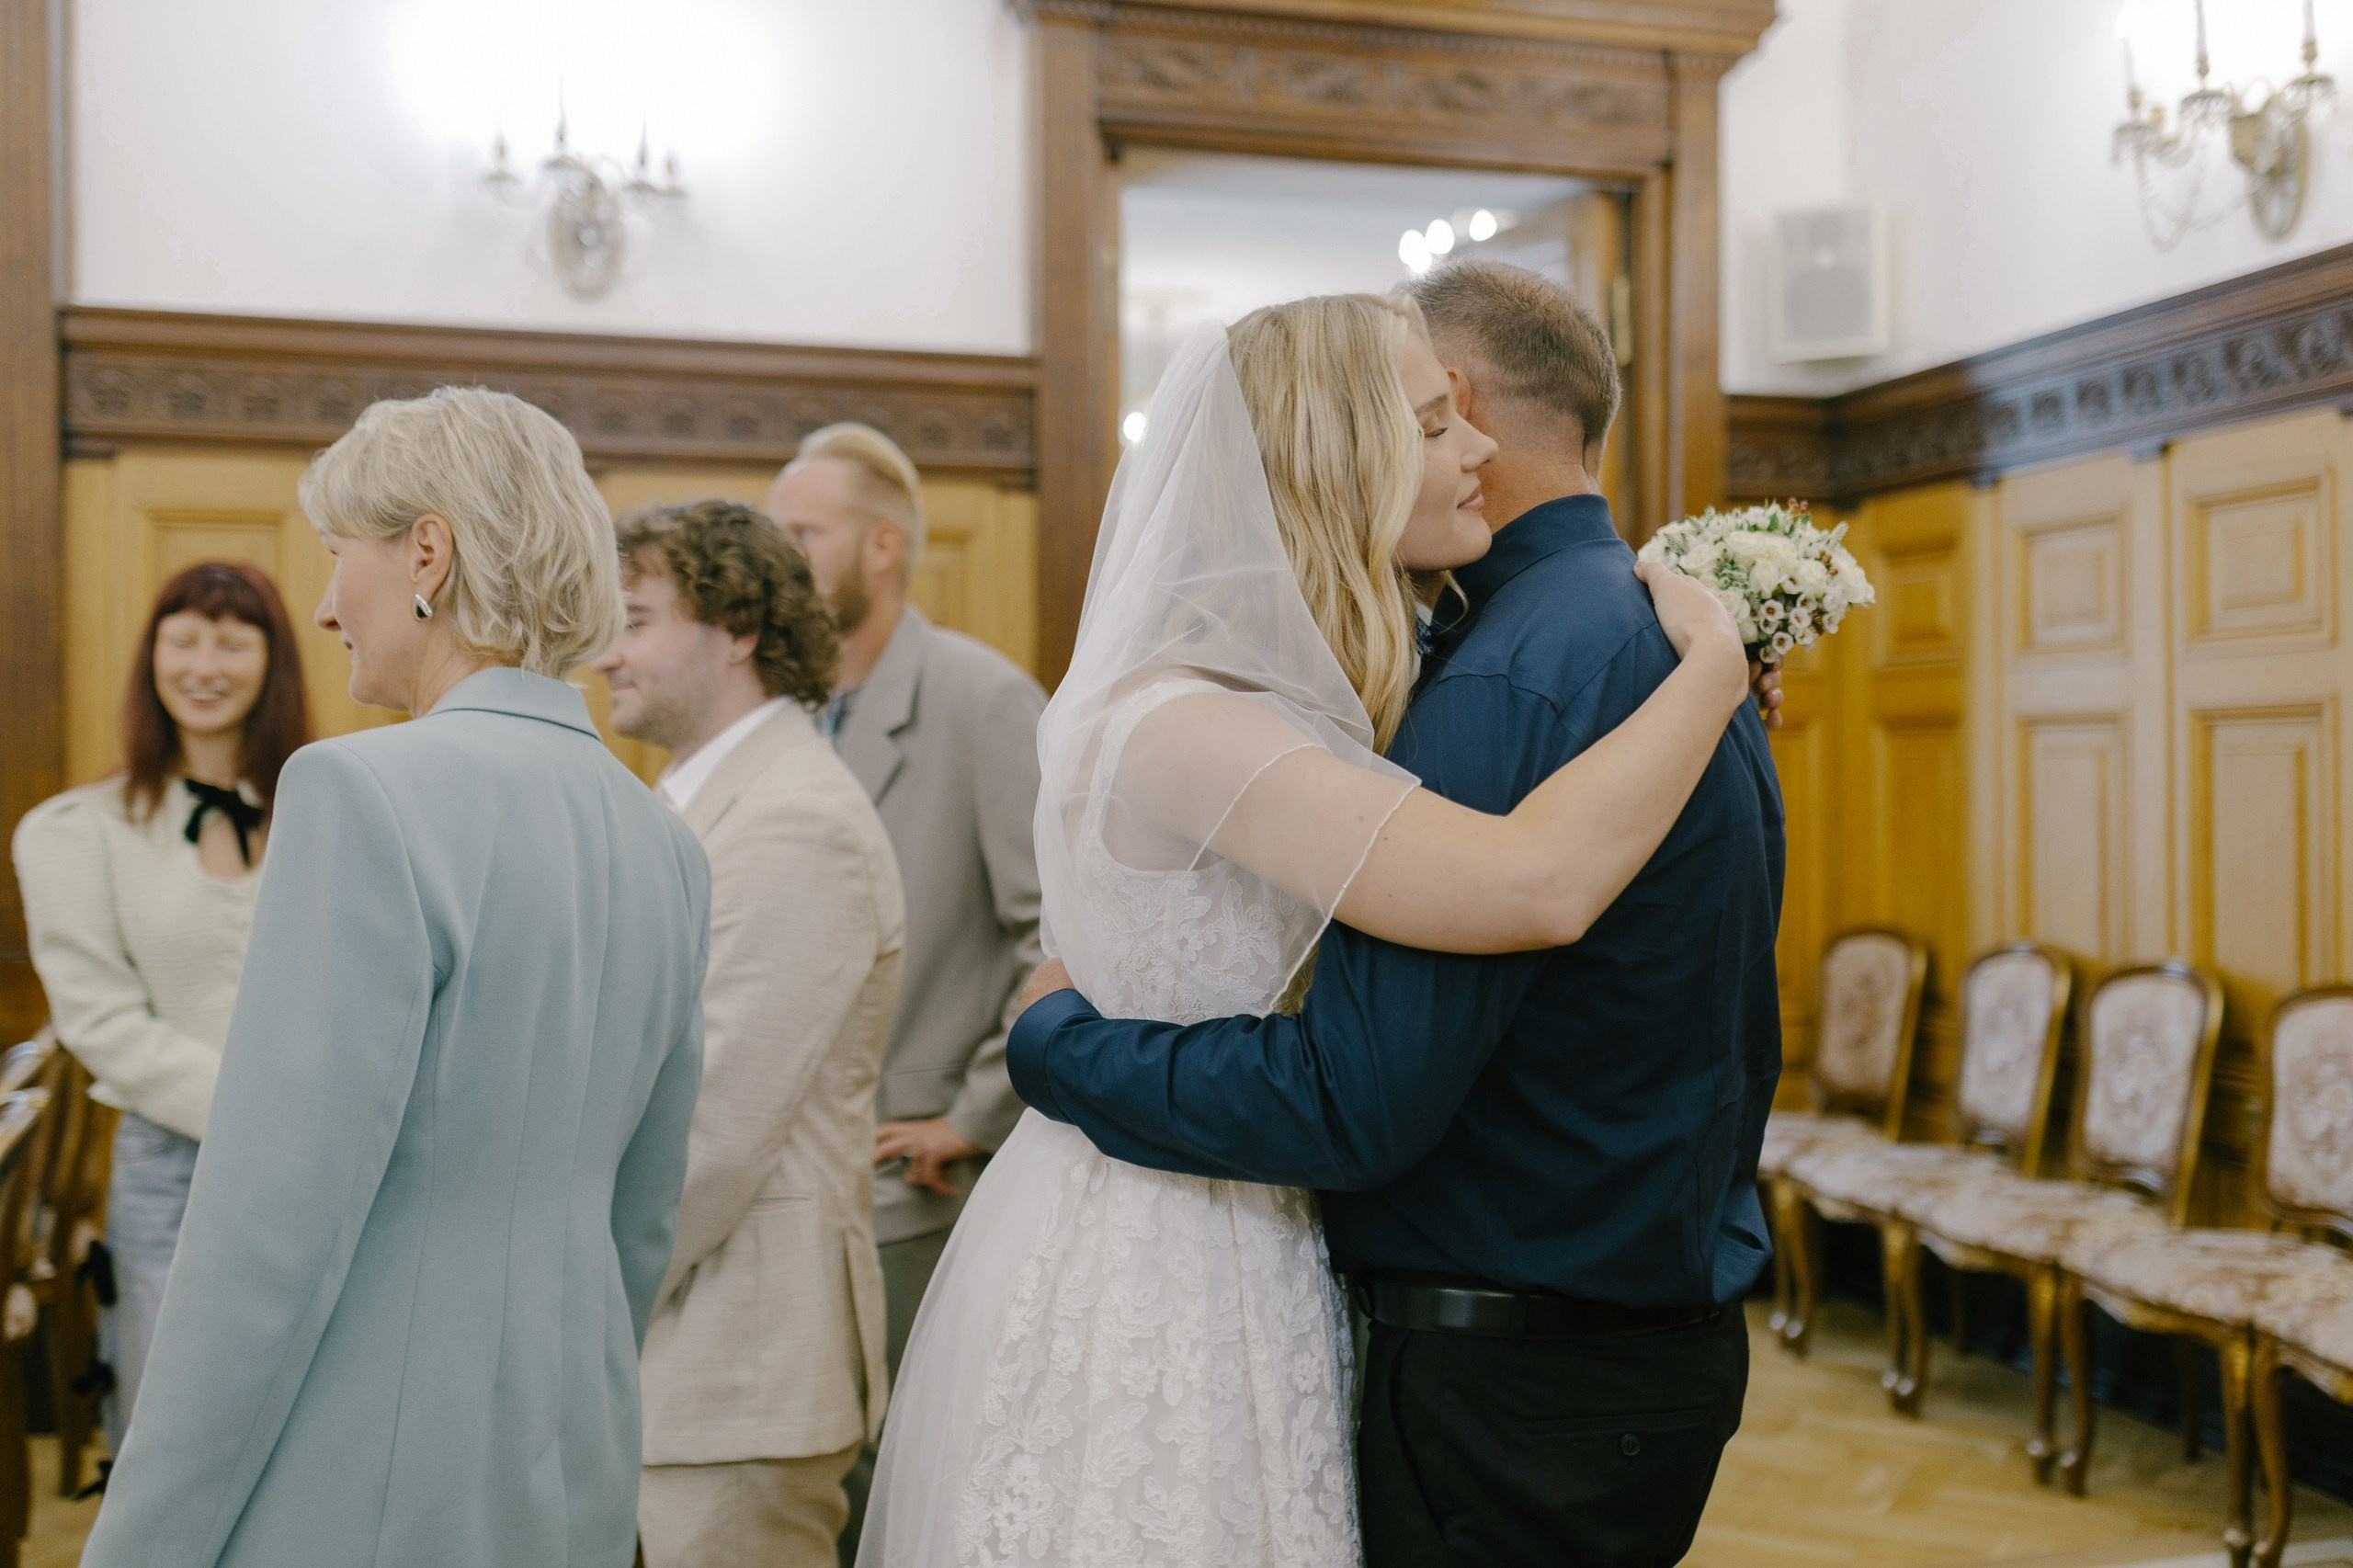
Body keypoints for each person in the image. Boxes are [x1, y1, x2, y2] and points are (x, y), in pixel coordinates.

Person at [857, 291, 1757, 1568]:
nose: (1478, 450)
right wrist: (1714, 668)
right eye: (1437, 423)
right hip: (1166, 1245)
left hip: (1258, 1231)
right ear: (1340, 453)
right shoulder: (1196, 722)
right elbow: (1530, 884)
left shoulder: (1310, 696)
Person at [77, 386, 711, 1568]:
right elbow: (643, 1215)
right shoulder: (662, 838)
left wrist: (140, 1541)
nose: (323, 605)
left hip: (357, 1460)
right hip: (568, 1446)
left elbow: (269, 1225)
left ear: (428, 548)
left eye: (334, 555)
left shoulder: (358, 793)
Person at [595, 498, 904, 1568]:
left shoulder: (794, 821)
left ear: (737, 628)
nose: (605, 651)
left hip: (737, 1364)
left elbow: (711, 1131)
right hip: (674, 1359)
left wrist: (564, 1306)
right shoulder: (697, 805)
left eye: (634, 619)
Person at [762, 426, 1045, 1557]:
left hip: (913, 1173)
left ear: (882, 547)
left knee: (892, 1477)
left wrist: (973, 1115)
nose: (776, 557)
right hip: (781, 1163)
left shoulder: (983, 698)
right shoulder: (781, 706)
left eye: (802, 533)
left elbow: (1057, 934)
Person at [12, 561, 310, 1454]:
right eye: (184, 637)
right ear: (151, 658)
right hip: (172, 1170)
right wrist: (270, 1118)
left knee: (303, 1433)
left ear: (272, 661)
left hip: (324, 1164)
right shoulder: (76, 829)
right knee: (167, 1435)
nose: (204, 663)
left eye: (231, 638)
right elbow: (102, 1024)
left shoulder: (325, 816)